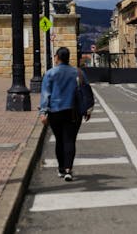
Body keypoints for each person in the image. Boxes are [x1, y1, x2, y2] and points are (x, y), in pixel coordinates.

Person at [39, 47, 91, 182]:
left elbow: (46, 95)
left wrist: (43, 112)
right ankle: (69, 169)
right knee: (70, 140)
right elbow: (86, 92)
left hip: (55, 111)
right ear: (68, 57)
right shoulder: (78, 73)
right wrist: (87, 109)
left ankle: (61, 168)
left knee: (59, 140)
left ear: (57, 57)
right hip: (73, 112)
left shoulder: (50, 73)